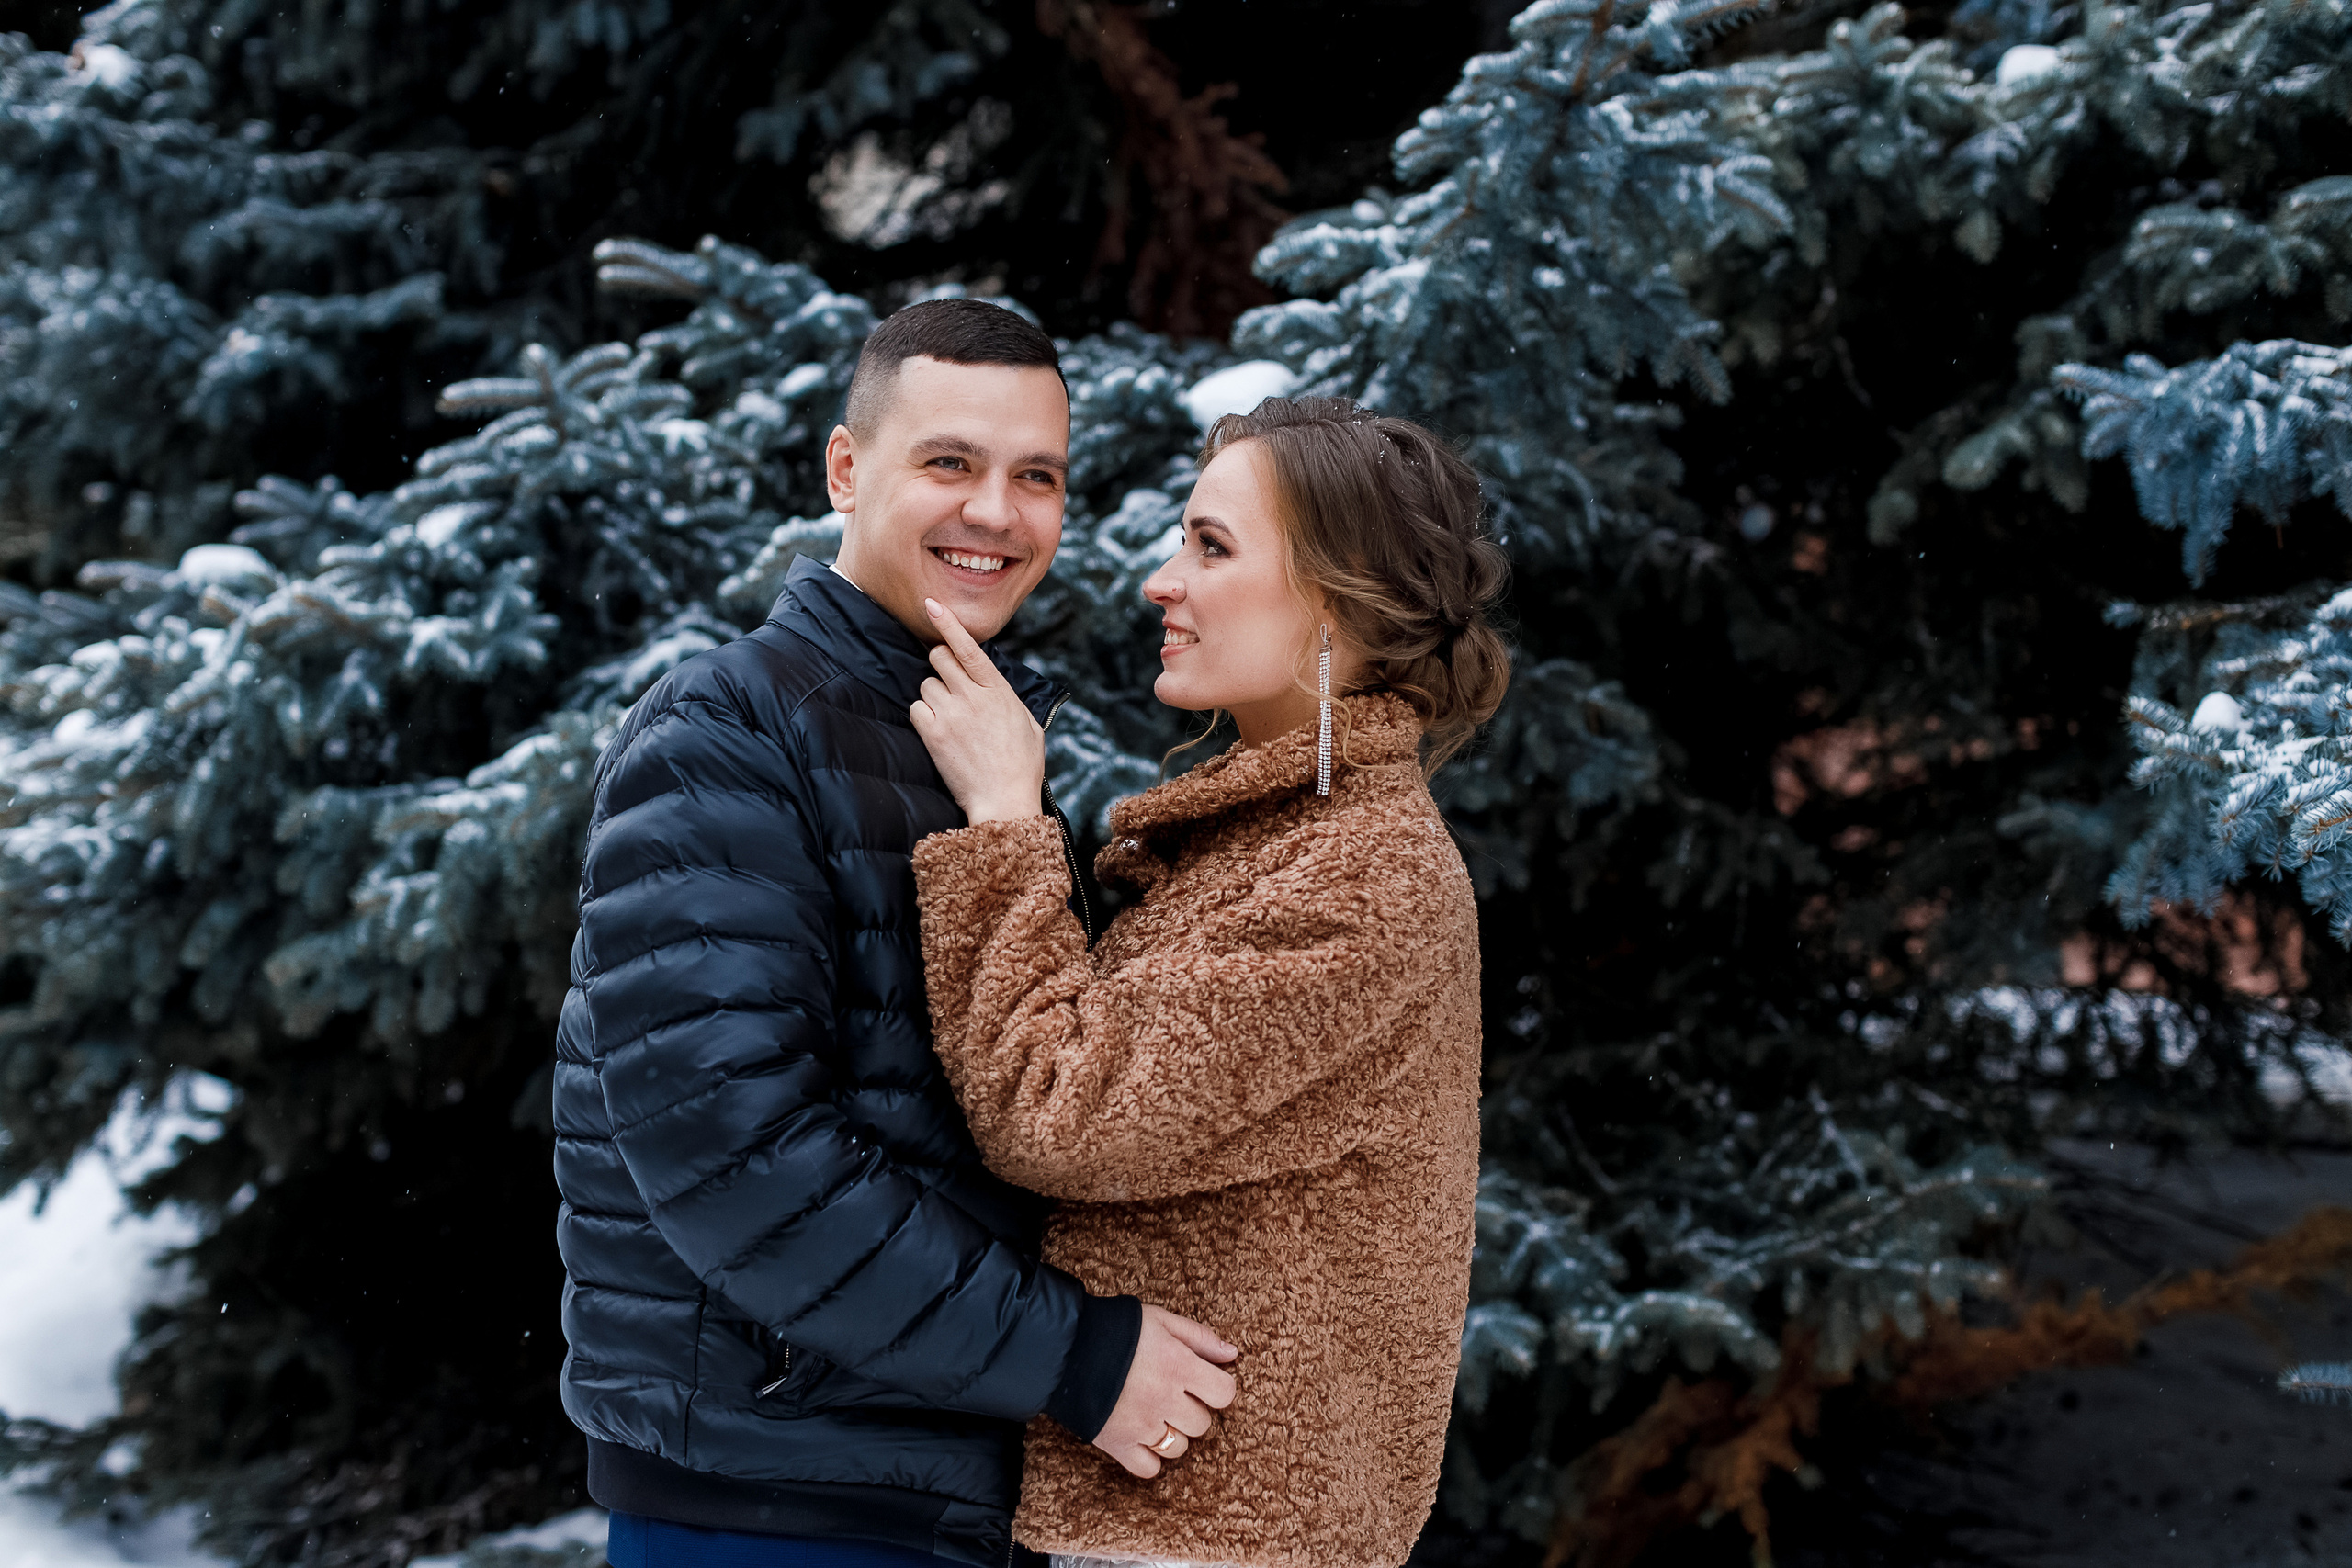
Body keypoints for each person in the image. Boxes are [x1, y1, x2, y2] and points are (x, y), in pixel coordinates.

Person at [553, 299, 1240, 1568]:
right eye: (950, 461)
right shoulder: (728, 729)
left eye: (1037, 476)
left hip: (943, 1492)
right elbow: (732, 1151)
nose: (996, 512)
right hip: (775, 1499)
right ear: (845, 468)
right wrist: (1075, 1355)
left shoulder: (976, 745)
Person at [905, 395, 1510, 1568]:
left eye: (1211, 547)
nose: (1161, 582)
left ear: (1336, 601)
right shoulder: (1285, 840)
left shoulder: (1365, 874)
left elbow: (1057, 1112)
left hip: (1222, 1536)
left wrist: (1002, 827)